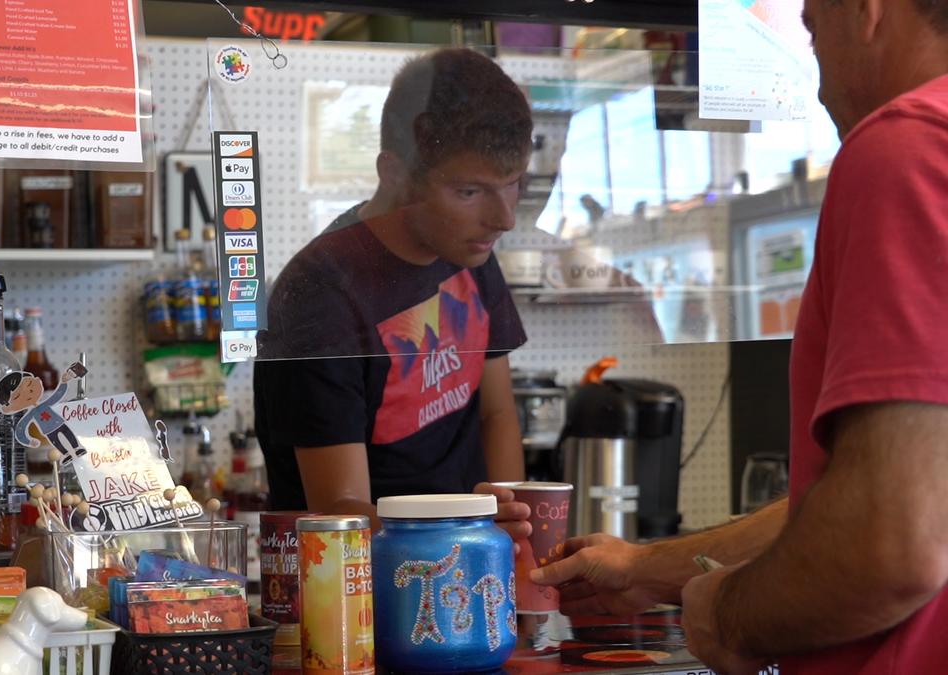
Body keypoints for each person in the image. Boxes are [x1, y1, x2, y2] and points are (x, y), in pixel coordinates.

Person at [533, 1, 948, 673]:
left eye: (813, 29)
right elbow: (880, 492)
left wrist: (726, 614)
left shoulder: (909, 145)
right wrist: (647, 568)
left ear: (868, 10)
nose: (816, 77)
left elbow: (892, 541)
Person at [253, 48, 533, 534]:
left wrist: (514, 540)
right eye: (469, 192)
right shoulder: (320, 294)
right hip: (369, 575)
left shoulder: (467, 247)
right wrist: (475, 534)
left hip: (472, 556)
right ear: (395, 174)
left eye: (512, 185)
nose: (503, 218)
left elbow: (497, 413)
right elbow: (342, 517)